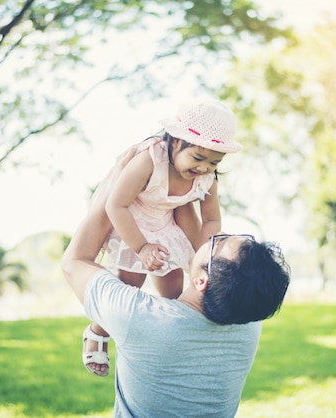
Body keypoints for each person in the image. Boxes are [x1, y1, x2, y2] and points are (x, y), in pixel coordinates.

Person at [61, 214, 291, 417]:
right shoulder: (247, 322)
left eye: (218, 242)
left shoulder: (141, 319)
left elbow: (74, 262)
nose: (216, 234)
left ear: (202, 281)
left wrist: (115, 195)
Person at [81, 99, 242, 377]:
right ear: (176, 142)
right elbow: (115, 205)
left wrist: (207, 255)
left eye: (214, 162)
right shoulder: (149, 161)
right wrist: (142, 248)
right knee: (130, 284)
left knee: (174, 286)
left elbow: (212, 219)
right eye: (198, 158)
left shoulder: (207, 178)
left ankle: (176, 339)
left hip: (167, 223)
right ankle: (97, 331)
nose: (204, 168)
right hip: (133, 220)